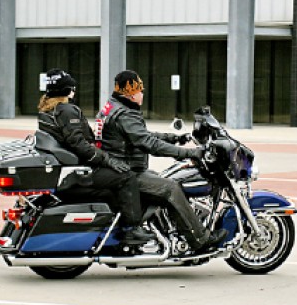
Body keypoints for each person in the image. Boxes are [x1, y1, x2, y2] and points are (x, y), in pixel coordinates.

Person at [95, 70, 228, 253]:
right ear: (131, 92)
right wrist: (188, 153)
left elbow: (140, 135)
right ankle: (200, 239)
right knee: (171, 188)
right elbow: (148, 143)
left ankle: (165, 230)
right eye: (140, 90)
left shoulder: (113, 107)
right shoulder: (125, 114)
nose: (142, 94)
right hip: (126, 172)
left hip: (119, 169)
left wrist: (173, 138)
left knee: (163, 178)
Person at [37, 68, 153, 244]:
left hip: (69, 168)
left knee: (112, 188)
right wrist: (107, 159)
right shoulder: (67, 110)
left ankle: (114, 228)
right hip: (80, 171)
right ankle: (131, 229)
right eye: (72, 87)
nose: (74, 91)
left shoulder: (47, 110)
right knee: (126, 177)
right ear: (67, 90)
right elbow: (79, 144)